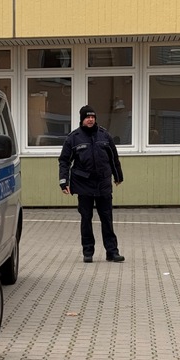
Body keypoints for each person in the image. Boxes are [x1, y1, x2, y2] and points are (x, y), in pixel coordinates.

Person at [58, 105, 125, 263]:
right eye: (87, 117)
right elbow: (64, 161)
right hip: (83, 184)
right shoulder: (73, 138)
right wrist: (63, 181)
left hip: (103, 184)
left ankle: (112, 252)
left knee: (107, 218)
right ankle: (88, 251)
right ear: (82, 119)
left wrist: (118, 176)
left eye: (93, 117)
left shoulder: (104, 135)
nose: (90, 119)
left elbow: (113, 157)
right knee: (86, 218)